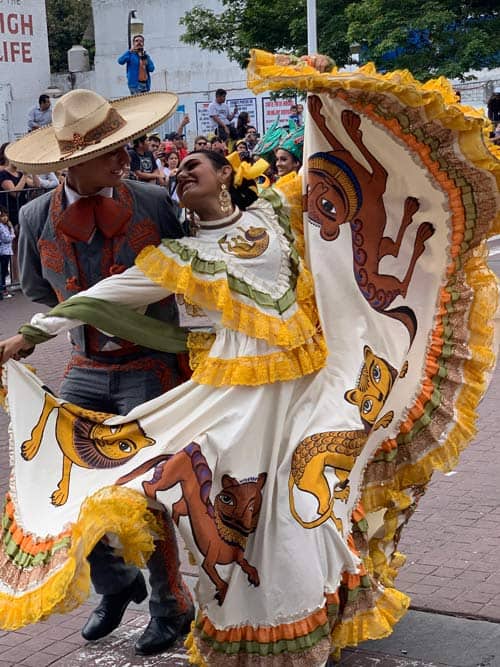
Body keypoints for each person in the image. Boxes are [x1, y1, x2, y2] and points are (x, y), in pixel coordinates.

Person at [1, 51, 498, 666]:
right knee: (179, 492)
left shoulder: (274, 213)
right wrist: (34, 333)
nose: (177, 175)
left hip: (305, 384)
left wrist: (321, 92)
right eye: (176, 170)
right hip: (221, 392)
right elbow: (109, 290)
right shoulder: (174, 253)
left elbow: (328, 171)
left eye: (193, 167)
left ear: (224, 174)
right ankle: (158, 594)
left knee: (304, 505)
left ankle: (287, 607)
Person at [2, 88, 194, 656]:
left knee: (150, 490)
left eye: (125, 145)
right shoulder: (36, 215)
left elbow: (190, 277)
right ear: (71, 164)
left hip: (151, 367)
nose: (126, 156)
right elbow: (38, 290)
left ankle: (171, 606)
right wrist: (34, 339)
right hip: (84, 367)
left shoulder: (155, 204)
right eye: (112, 150)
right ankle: (116, 583)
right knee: (65, 482)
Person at [0, 142, 40, 226]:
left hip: (22, 208)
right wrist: (25, 175)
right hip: (10, 210)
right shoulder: (3, 174)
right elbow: (15, 193)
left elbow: (36, 185)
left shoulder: (20, 174)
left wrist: (33, 171)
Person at [0, 206, 14, 300]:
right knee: (3, 271)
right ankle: (3, 290)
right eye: (3, 216)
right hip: (3, 252)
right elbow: (6, 238)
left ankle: (4, 289)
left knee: (4, 271)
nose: (5, 218)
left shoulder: (6, 226)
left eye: (6, 216)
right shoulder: (1, 226)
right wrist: (12, 233)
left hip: (7, 251)